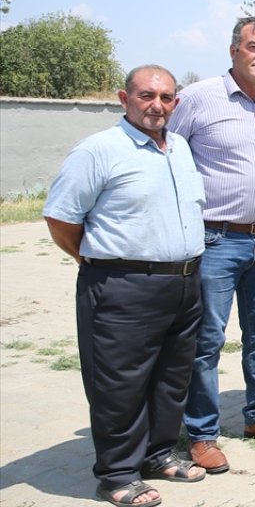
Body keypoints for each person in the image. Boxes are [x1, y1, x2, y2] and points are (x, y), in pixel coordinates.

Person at [44, 65, 206, 507]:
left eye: (167, 97)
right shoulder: (99, 150)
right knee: (120, 384)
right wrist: (96, 259)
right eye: (147, 96)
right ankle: (117, 473)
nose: (157, 105)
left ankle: (157, 455)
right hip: (122, 285)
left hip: (184, 283)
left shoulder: (181, 148)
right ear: (124, 98)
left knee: (172, 378)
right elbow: (61, 218)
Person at [171, 17, 255, 473]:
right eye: (254, 46)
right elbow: (168, 155)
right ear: (233, 51)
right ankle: (202, 432)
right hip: (216, 240)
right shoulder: (199, 98)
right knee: (206, 341)